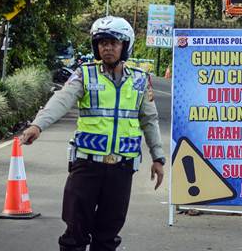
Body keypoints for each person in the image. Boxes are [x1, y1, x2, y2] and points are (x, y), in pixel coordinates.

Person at [21, 16, 165, 251]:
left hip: (122, 168)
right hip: (86, 167)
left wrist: (158, 158)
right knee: (75, 233)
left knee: (108, 235)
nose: (107, 47)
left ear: (125, 46)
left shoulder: (140, 80)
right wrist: (38, 125)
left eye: (113, 42)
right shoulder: (84, 74)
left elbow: (150, 120)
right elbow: (61, 100)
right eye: (102, 43)